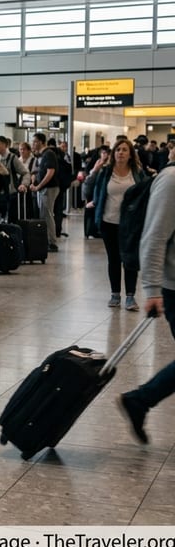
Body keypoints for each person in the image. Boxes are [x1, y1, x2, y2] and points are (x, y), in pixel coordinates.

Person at [118, 164, 175, 444]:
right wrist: (152, 289)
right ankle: (139, 400)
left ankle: (139, 401)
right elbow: (153, 237)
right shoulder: (172, 181)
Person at [87, 139, 148, 310]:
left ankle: (130, 296)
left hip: (131, 224)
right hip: (108, 222)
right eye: (118, 150)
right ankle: (115, 294)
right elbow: (88, 190)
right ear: (113, 153)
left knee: (130, 259)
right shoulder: (105, 172)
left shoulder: (137, 173)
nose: (120, 152)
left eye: (124, 150)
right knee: (113, 259)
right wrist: (94, 171)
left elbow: (146, 193)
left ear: (130, 155)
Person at [29, 132, 61, 253]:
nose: (33, 144)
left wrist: (40, 186)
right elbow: (37, 171)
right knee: (44, 214)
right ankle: (47, 240)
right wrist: (34, 182)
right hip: (43, 188)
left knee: (47, 215)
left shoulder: (48, 154)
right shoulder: (40, 155)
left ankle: (52, 242)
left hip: (49, 188)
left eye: (35, 142)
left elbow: (50, 172)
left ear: (41, 142)